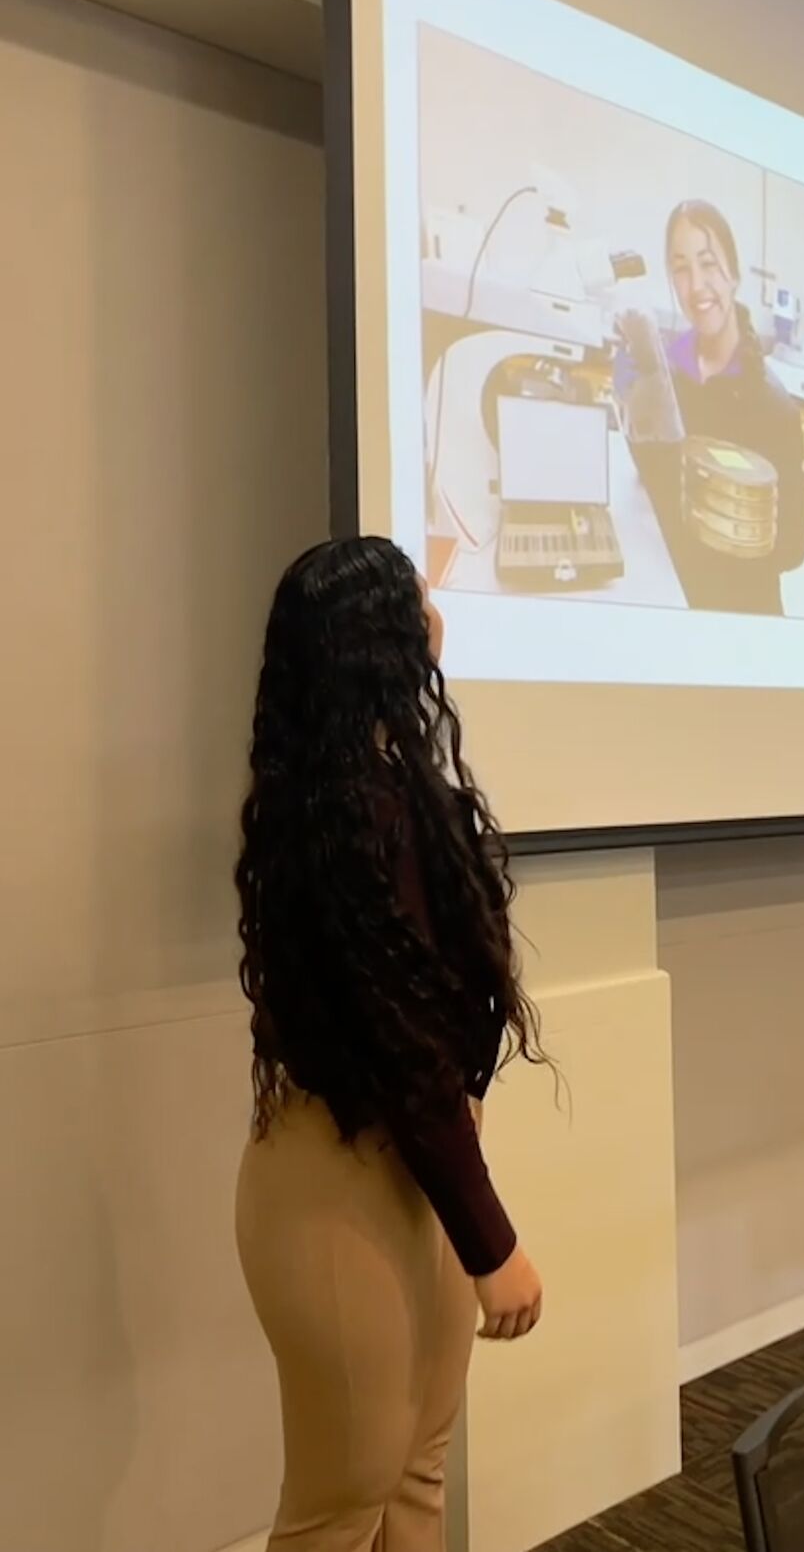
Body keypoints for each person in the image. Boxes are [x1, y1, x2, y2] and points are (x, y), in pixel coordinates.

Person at [234, 535, 546, 1552]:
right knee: (344, 1495)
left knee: (416, 1469)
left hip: (413, 1171)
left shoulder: (392, 790)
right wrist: (491, 1243)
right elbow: (404, 1047)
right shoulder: (336, 824)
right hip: (338, 1186)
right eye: (417, 602)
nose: (436, 615)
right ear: (375, 642)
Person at [617, 199, 804, 616]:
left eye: (708, 263)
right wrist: (632, 407)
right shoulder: (668, 368)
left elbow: (794, 547)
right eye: (681, 268)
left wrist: (729, 525)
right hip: (672, 590)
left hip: (741, 618)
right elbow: (651, 475)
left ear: (734, 275)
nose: (697, 284)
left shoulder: (773, 407)